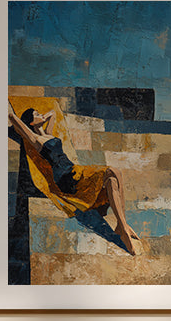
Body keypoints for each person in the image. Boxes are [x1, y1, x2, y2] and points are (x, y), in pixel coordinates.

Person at [8, 107, 140, 255]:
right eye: (36, 114)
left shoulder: (48, 134)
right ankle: (123, 227)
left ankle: (122, 225)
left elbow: (53, 113)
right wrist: (23, 122)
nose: (40, 114)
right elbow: (13, 117)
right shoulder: (35, 139)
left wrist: (43, 116)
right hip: (66, 178)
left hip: (74, 170)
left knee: (113, 179)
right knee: (113, 171)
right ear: (31, 123)